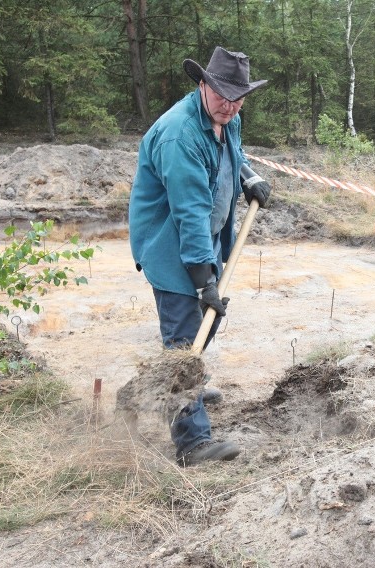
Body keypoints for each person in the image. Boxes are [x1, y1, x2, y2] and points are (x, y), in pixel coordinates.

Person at [129, 46, 271, 466]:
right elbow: (189, 212)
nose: (230, 105)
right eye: (222, 95)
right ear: (202, 85)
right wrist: (202, 279)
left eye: (238, 96)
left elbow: (233, 154)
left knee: (203, 329)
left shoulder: (228, 118)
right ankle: (192, 441)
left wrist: (250, 176)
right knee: (183, 336)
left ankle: (186, 386)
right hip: (172, 244)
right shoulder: (180, 135)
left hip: (202, 239)